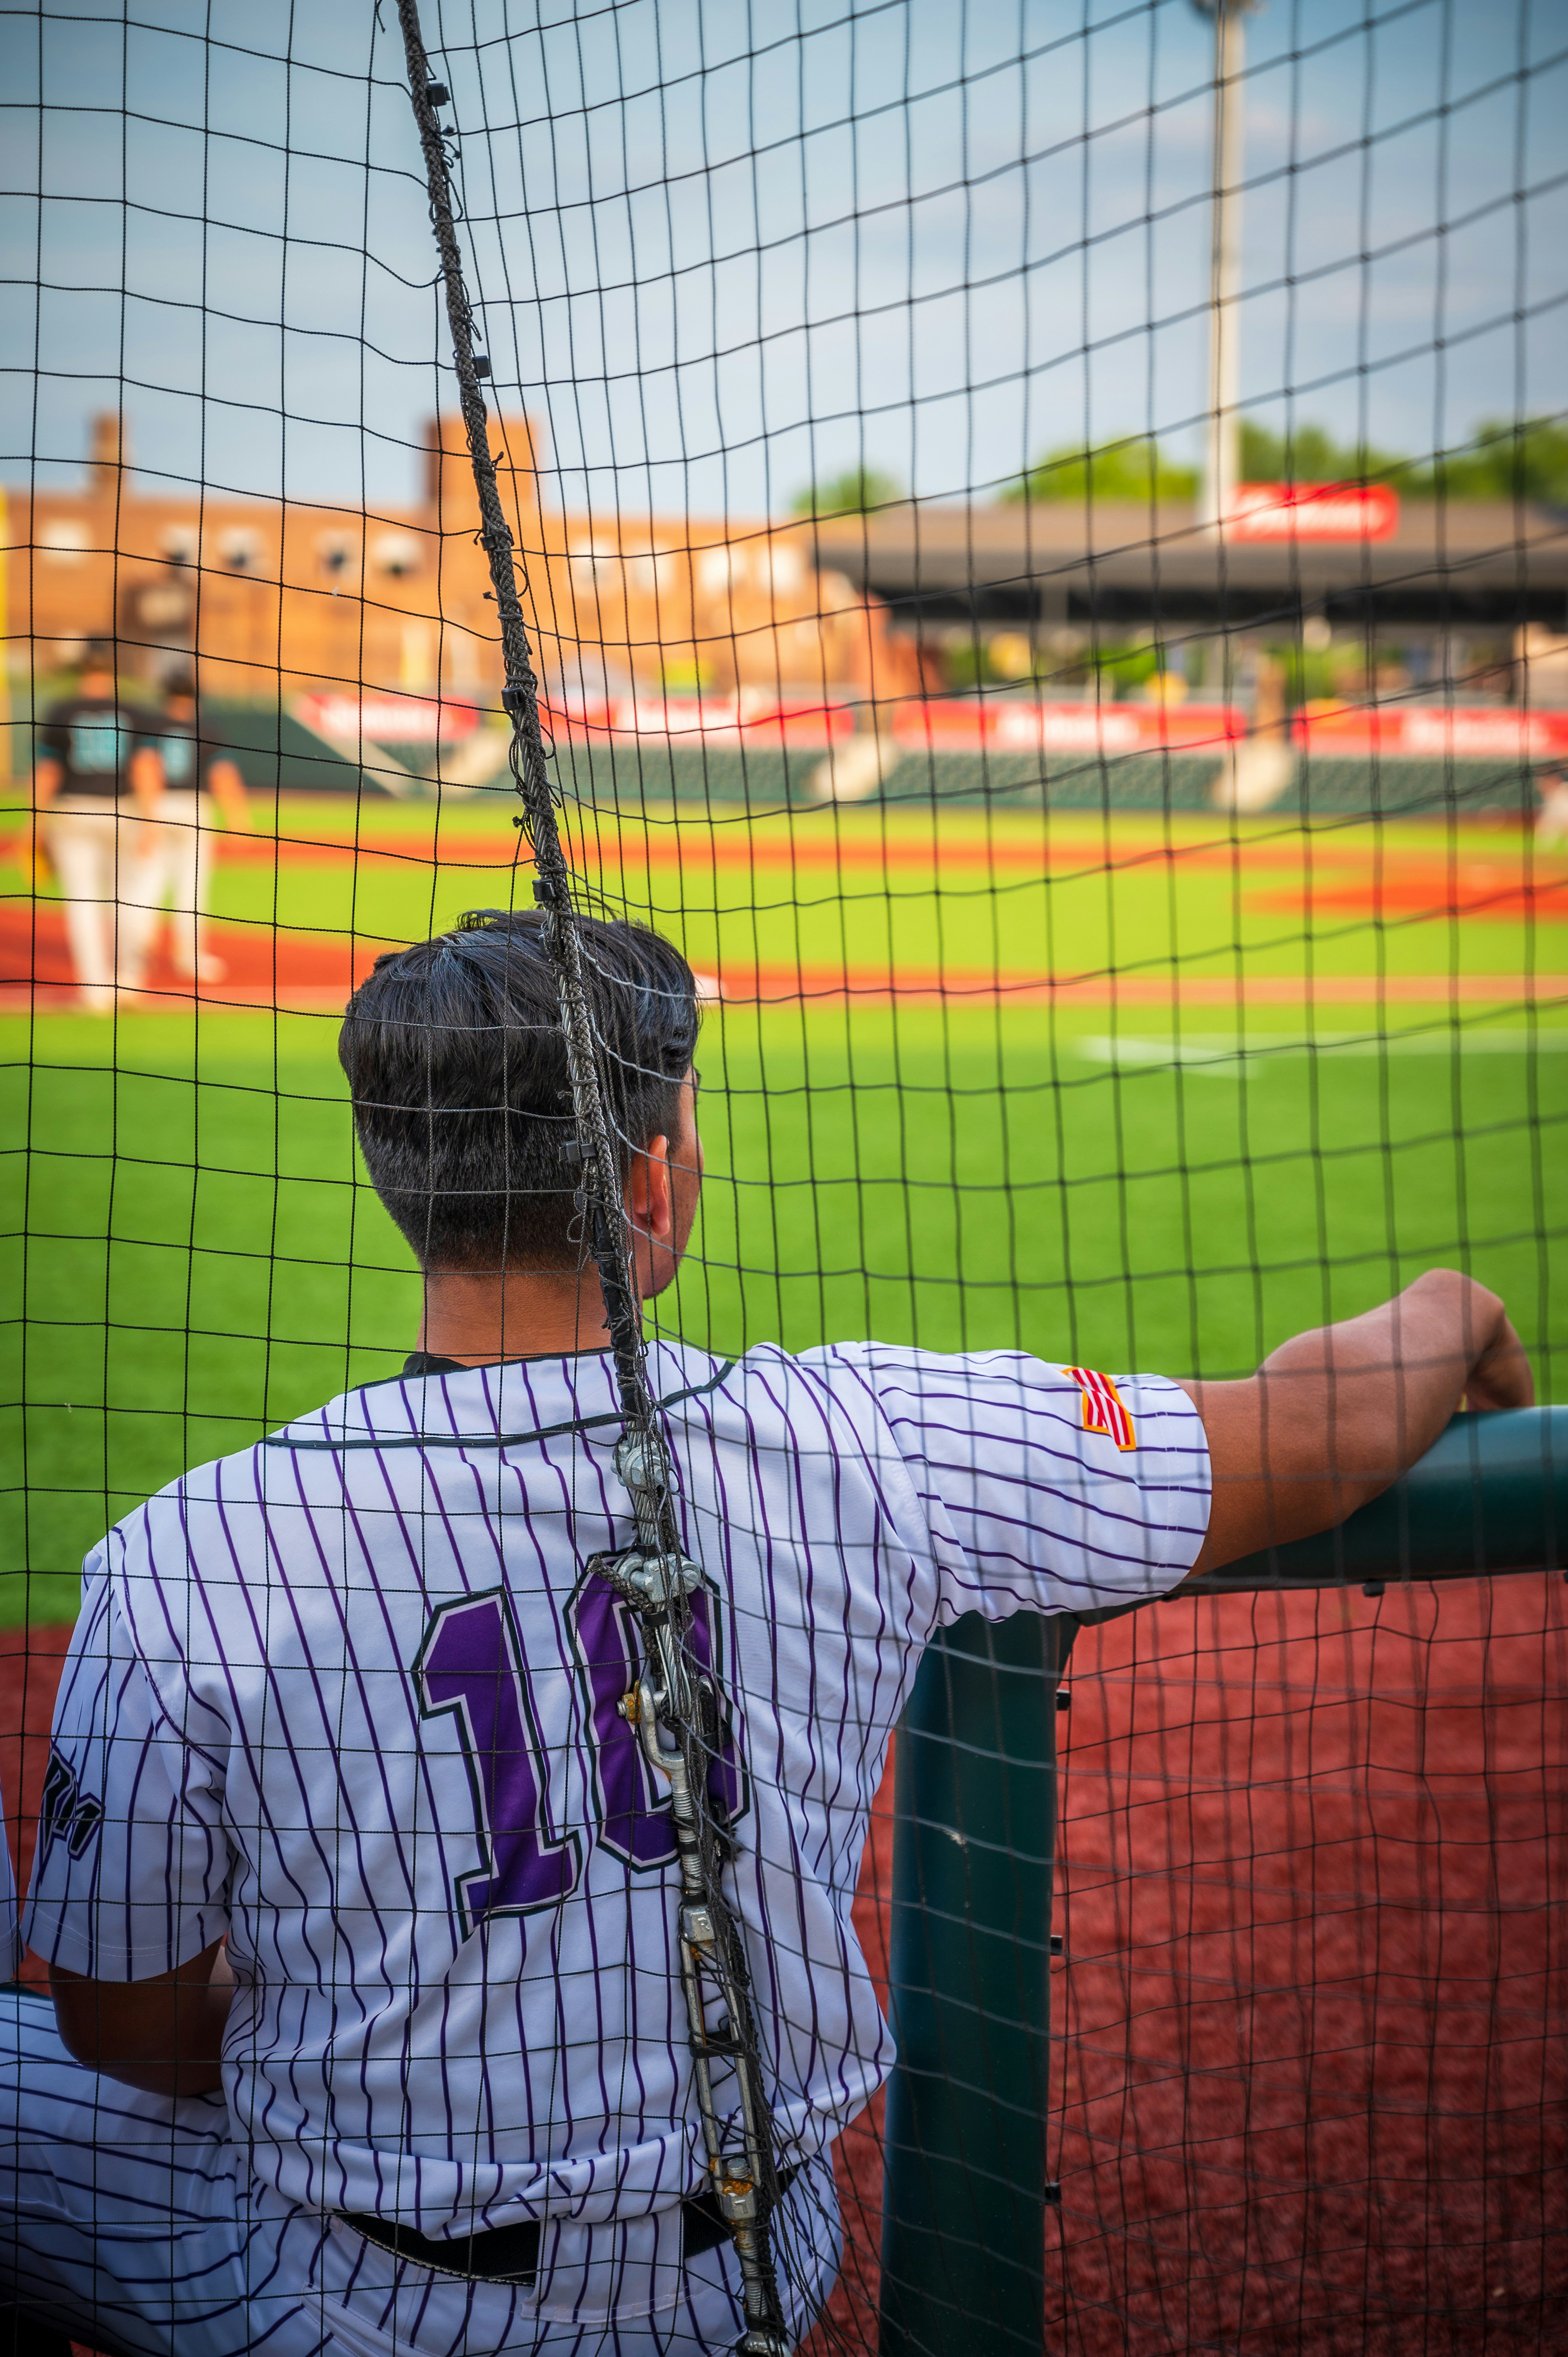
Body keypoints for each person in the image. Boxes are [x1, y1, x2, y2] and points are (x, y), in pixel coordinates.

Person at [5, 911, 1532, 2357]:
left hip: (351, 2301)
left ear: (401, 1175)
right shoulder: (867, 1437)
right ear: (651, 1189)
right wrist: (1449, 1308)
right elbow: (1310, 1433)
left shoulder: (193, 1553)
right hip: (741, 2284)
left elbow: (118, 2019)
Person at [29, 642, 162, 1012]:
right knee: (129, 900)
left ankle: (95, 992)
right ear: (113, 672)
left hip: (75, 813)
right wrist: (150, 820)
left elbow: (48, 771)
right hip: (123, 811)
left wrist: (34, 823)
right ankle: (129, 983)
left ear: (81, 671)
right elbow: (146, 768)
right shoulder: (134, 710)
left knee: (83, 904)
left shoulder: (62, 709)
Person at [142, 671, 252, 985]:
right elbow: (223, 774)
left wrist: (147, 817)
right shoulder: (206, 726)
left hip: (158, 805)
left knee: (146, 884)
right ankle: (189, 957)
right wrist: (237, 818)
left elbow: (145, 768)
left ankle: (137, 953)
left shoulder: (152, 724)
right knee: (191, 889)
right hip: (194, 808)